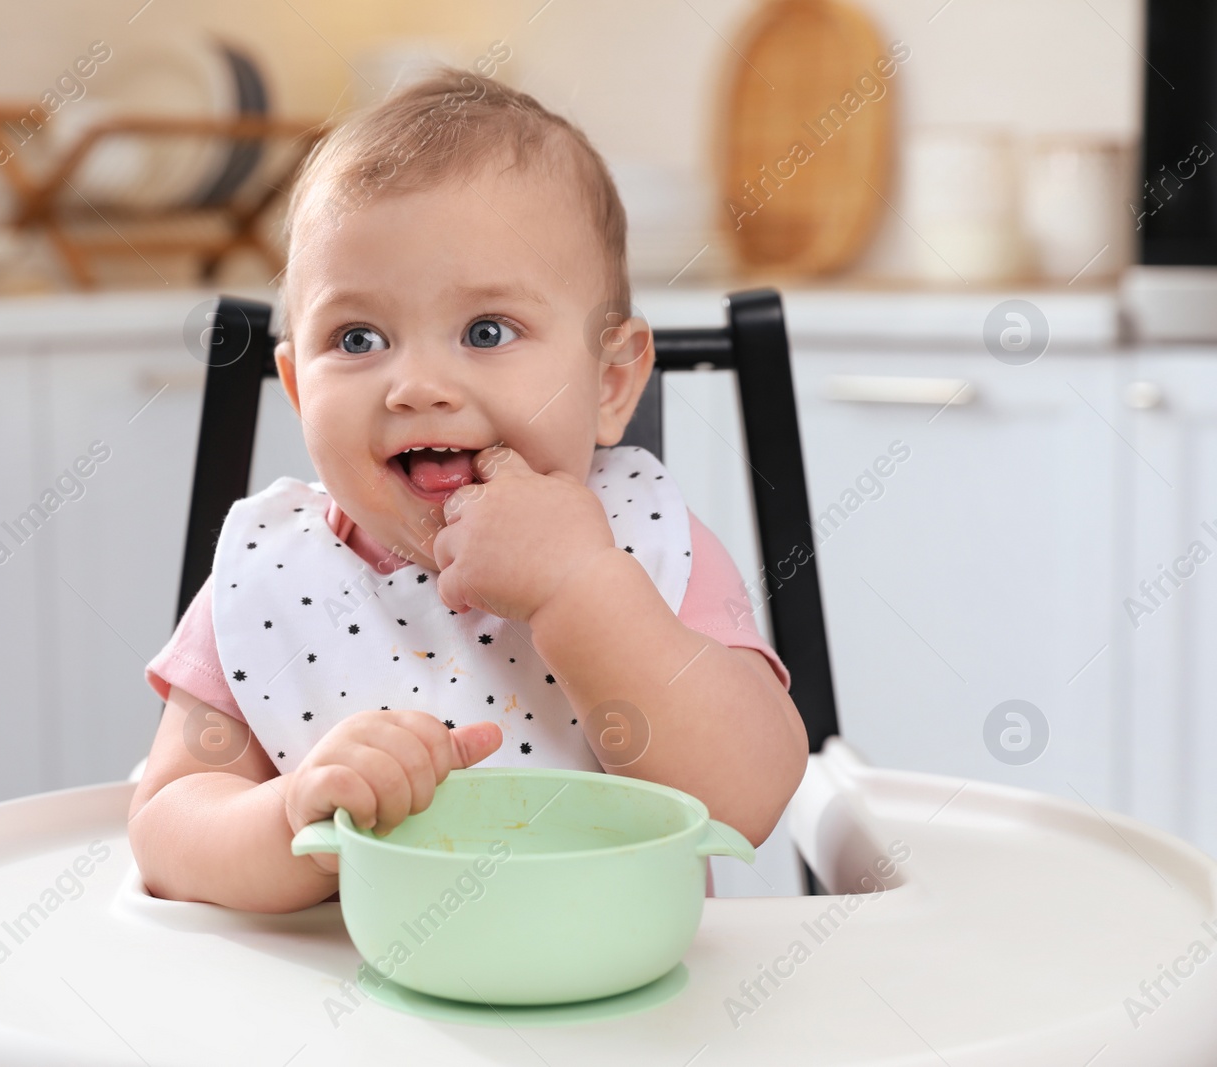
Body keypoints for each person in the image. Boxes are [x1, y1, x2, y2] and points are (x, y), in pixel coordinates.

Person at [128, 64, 808, 913]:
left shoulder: (639, 537)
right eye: (359, 335)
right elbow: (165, 827)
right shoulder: (275, 569)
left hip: (620, 1017)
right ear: (301, 391)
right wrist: (291, 820)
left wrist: (581, 586)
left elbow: (750, 797)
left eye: (487, 331)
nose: (416, 385)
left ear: (610, 382)